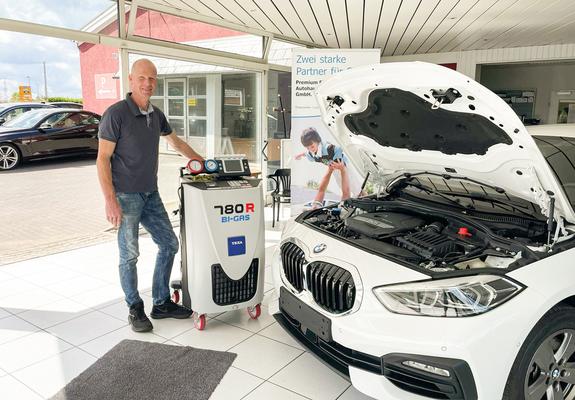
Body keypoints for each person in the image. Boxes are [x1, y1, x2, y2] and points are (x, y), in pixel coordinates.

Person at [96, 58, 203, 332]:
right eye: (142, 78)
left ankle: (161, 302)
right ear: (131, 80)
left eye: (152, 79)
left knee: (169, 244)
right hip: (125, 197)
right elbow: (103, 159)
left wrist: (200, 160)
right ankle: (134, 307)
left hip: (150, 193)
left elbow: (174, 141)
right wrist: (110, 200)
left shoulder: (155, 114)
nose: (148, 84)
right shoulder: (115, 114)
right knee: (129, 255)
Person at [295, 127, 350, 207]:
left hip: (343, 165)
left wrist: (339, 162)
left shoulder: (328, 148)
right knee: (338, 185)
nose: (310, 150)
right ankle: (317, 204)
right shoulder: (312, 153)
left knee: (352, 189)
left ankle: (350, 201)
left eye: (312, 147)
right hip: (333, 166)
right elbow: (306, 153)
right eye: (308, 148)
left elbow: (338, 148)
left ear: (318, 142)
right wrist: (300, 155)